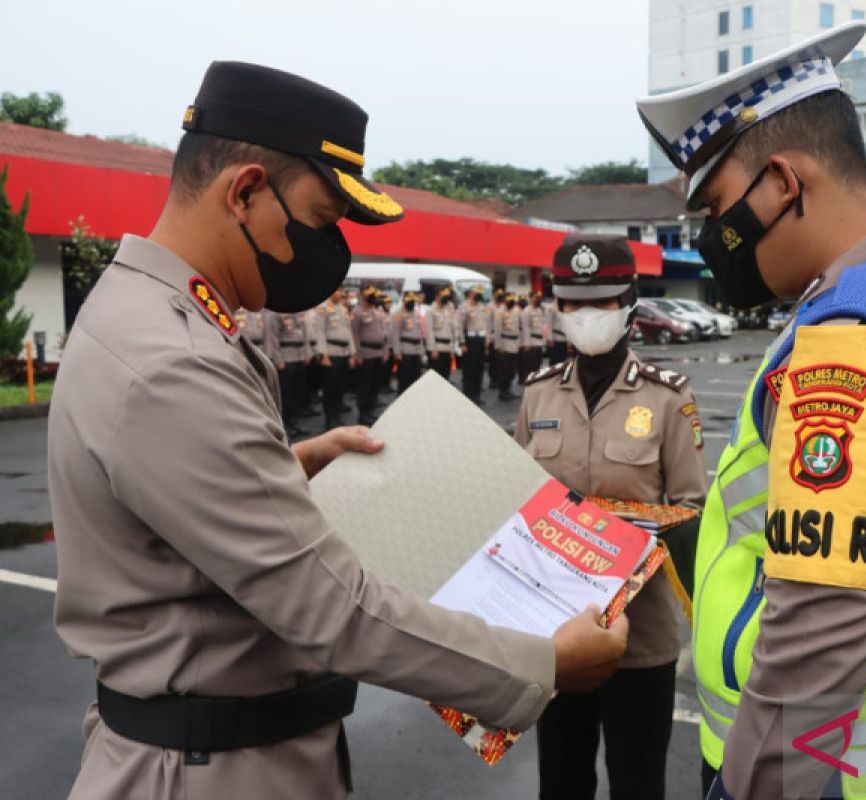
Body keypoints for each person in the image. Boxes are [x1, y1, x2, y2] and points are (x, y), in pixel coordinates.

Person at [47, 60, 628, 800]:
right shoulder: (173, 362)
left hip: (212, 753)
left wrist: (284, 466)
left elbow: (158, 510)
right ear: (247, 191)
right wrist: (543, 662)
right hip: (210, 772)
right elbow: (332, 606)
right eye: (320, 220)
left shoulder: (147, 314)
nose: (327, 250)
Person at [636, 21, 866, 798]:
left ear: (783, 183)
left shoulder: (852, 340)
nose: (709, 239)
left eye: (718, 209)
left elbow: (816, 642)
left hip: (828, 774)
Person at [517, 234, 708, 800]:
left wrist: (613, 537)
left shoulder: (669, 399)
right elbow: (519, 502)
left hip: (640, 638)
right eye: (572, 304)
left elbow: (690, 510)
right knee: (562, 780)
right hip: (557, 633)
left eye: (599, 303)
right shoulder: (538, 396)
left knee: (637, 782)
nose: (585, 317)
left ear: (629, 303)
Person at [315, 287, 356, 431]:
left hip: (344, 353)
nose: (339, 294)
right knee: (330, 388)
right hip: (331, 353)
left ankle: (337, 418)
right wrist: (323, 354)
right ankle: (329, 419)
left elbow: (348, 331)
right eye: (336, 291)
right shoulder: (323, 308)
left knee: (340, 388)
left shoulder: (343, 309)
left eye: (340, 291)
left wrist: (352, 353)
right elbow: (319, 331)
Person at [270, 309, 312, 438]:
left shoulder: (299, 312)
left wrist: (307, 353)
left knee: (297, 394)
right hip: (286, 358)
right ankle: (284, 426)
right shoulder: (277, 312)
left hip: (299, 356)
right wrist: (278, 359)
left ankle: (295, 423)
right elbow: (273, 336)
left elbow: (304, 335)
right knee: (285, 396)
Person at [350, 285, 389, 425]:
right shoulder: (357, 312)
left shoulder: (377, 312)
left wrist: (385, 351)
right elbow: (354, 335)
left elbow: (384, 334)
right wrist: (357, 355)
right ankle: (363, 413)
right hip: (365, 354)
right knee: (364, 386)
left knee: (374, 385)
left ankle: (370, 411)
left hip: (378, 354)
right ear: (363, 295)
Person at [457, 284, 491, 404]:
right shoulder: (463, 307)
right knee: (469, 369)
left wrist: (487, 340)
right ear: (471, 293)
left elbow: (486, 325)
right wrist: (462, 343)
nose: (480, 295)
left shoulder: (482, 307)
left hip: (481, 340)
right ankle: (468, 394)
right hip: (469, 341)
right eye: (477, 292)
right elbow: (459, 326)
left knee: (479, 369)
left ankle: (476, 395)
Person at [390, 290, 426, 396]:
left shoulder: (417, 313)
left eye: (413, 301)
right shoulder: (398, 314)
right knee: (404, 378)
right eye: (409, 301)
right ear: (404, 301)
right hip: (405, 350)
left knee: (415, 378)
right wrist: (397, 352)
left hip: (416, 350)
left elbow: (420, 333)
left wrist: (421, 351)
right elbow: (395, 334)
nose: (411, 303)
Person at [493, 292, 522, 400]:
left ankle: (508, 389)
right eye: (509, 300)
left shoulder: (516, 312)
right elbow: (497, 330)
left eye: (512, 300)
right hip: (504, 344)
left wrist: (519, 343)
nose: (511, 302)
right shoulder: (500, 312)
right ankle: (503, 391)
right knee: (504, 370)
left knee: (512, 370)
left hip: (514, 345)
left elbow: (518, 329)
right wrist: (498, 346)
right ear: (505, 301)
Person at [426, 286, 457, 379]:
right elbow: (429, 331)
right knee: (435, 377)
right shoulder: (431, 310)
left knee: (445, 376)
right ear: (436, 296)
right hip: (437, 348)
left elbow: (452, 330)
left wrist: (452, 349)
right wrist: (432, 349)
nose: (445, 298)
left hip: (447, 348)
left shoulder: (449, 309)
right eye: (443, 296)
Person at [519, 290, 548, 381]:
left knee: (538, 364)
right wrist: (526, 344)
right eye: (535, 297)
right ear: (531, 298)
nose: (537, 299)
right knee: (530, 364)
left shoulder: (541, 310)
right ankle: (528, 380)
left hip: (539, 341)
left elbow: (544, 326)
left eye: (538, 298)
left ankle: (535, 380)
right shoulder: (526, 311)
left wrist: (544, 341)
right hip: (531, 341)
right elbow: (525, 328)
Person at [487, 286, 506, 388]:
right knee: (493, 360)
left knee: (501, 360)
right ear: (494, 296)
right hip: (493, 336)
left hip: (502, 337)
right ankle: (493, 379)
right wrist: (488, 338)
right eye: (498, 295)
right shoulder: (490, 307)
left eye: (501, 295)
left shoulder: (503, 307)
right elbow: (488, 324)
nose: (500, 297)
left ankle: (499, 378)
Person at [545, 293, 570, 365]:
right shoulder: (551, 307)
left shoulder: (565, 307)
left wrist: (569, 339)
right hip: (555, 339)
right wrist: (550, 339)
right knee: (555, 362)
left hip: (564, 339)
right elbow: (548, 324)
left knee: (563, 362)